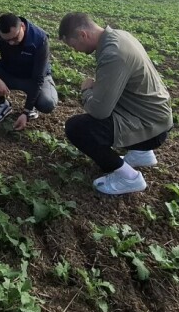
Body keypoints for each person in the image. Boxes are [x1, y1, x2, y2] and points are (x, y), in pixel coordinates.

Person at [58, 12, 173, 195]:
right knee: (104, 103)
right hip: (156, 117)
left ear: (82, 35)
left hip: (152, 127)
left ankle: (129, 178)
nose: (75, 51)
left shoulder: (113, 53)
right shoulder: (119, 36)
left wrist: (86, 91)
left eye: (73, 46)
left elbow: (99, 112)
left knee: (77, 128)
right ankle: (142, 154)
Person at [0, 13, 58, 130]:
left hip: (32, 77)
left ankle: (32, 107)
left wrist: (25, 112)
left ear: (22, 26)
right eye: (6, 40)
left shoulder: (40, 39)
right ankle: (3, 104)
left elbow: (38, 78)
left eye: (15, 38)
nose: (11, 43)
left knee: (47, 103)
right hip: (7, 71)